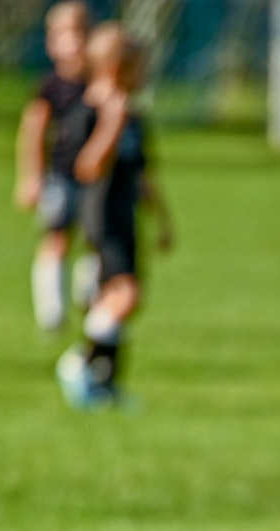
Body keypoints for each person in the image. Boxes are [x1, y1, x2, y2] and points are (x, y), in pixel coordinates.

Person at [55, 23, 172, 409]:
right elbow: (87, 167)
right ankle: (80, 361)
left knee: (121, 298)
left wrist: (164, 219)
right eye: (138, 68)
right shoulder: (89, 111)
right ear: (114, 68)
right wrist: (110, 124)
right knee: (125, 295)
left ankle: (105, 385)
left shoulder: (133, 115)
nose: (143, 76)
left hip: (126, 216)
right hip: (101, 217)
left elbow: (142, 175)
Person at [14, 1, 97, 333]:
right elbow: (34, 132)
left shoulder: (100, 83)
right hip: (60, 176)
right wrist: (31, 177)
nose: (75, 42)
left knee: (96, 238)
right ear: (51, 42)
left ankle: (88, 297)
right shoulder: (50, 86)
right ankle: (52, 312)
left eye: (82, 33)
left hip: (96, 180)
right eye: (66, 34)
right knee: (57, 237)